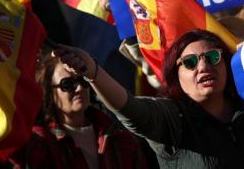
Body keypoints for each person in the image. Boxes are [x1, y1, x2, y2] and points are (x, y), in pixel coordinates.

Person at [52, 29, 244, 169]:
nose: (204, 66)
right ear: (176, 76)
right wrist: (93, 72)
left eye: (213, 57)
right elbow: (130, 108)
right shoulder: (172, 119)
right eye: (190, 62)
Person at [10, 49, 148, 169]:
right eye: (67, 84)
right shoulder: (40, 142)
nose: (80, 88)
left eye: (83, 80)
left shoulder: (121, 138)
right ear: (49, 93)